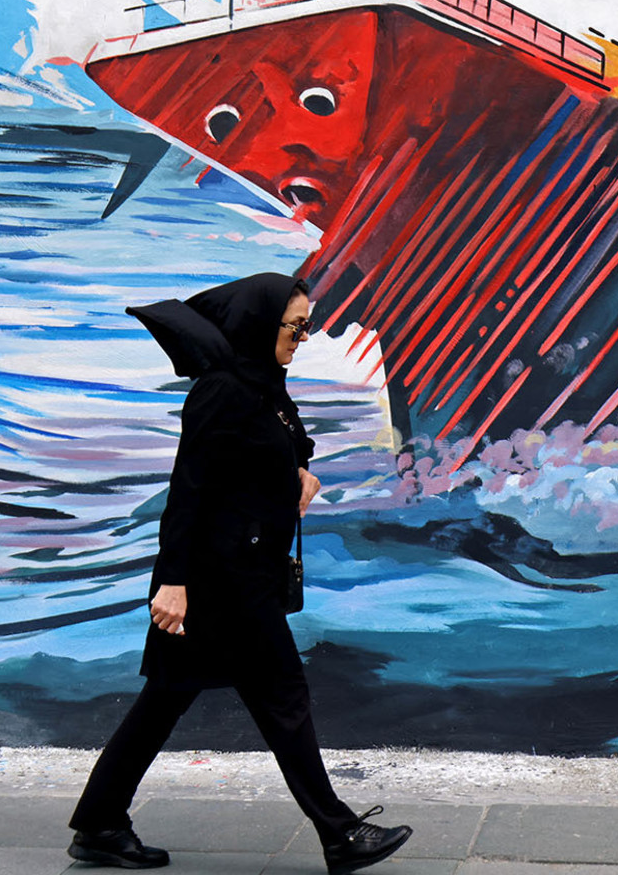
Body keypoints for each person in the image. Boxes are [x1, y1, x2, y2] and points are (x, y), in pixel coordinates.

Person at [67, 272, 412, 872]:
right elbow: (188, 491)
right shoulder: (221, 391)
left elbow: (285, 443)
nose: (304, 337)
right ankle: (339, 833)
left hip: (240, 574)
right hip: (215, 583)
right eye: (295, 326)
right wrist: (172, 584)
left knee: (165, 702)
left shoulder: (263, 385)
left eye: (306, 325)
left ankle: (98, 823)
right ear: (260, 322)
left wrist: (299, 473)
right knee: (282, 696)